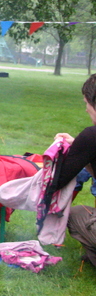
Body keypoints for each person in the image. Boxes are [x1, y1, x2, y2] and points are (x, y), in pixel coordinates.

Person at [53, 73, 96, 269]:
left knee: (75, 213)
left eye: (86, 103)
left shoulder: (92, 136)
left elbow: (57, 181)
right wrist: (79, 148)